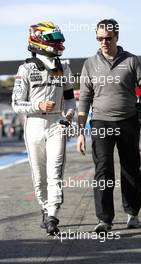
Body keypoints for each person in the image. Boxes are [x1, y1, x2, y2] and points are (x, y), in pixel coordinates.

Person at [77, 19, 141, 233]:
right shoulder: (90, 64)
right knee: (103, 170)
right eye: (99, 38)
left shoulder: (131, 61)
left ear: (117, 37)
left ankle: (132, 212)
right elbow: (84, 99)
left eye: (108, 38)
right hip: (101, 122)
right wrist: (79, 131)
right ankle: (104, 220)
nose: (103, 42)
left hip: (128, 122)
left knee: (130, 169)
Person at [12, 21, 76, 235]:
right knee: (39, 175)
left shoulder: (63, 67)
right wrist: (37, 105)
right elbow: (16, 103)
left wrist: (67, 115)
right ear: (40, 40)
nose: (59, 43)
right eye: (55, 39)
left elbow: (69, 98)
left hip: (57, 123)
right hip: (34, 124)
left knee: (55, 170)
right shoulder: (26, 68)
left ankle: (52, 214)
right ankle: (44, 207)